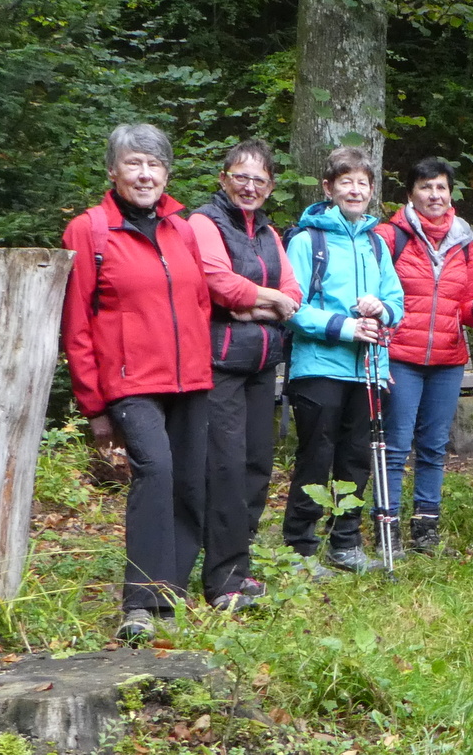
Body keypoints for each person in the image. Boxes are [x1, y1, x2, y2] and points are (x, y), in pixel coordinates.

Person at [61, 123, 213, 641]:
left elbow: (198, 302)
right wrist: (94, 406)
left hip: (190, 379)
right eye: (134, 163)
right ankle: (140, 602)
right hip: (130, 382)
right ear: (113, 171)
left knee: (191, 481)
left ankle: (172, 592)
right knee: (157, 472)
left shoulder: (183, 228)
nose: (145, 174)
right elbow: (76, 323)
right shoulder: (90, 230)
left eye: (154, 164)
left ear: (166, 172)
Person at [280, 146, 404, 573]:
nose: (355, 190)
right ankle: (299, 546)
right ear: (328, 187)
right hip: (318, 367)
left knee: (356, 457)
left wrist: (380, 310)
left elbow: (396, 301)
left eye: (363, 183)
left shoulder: (376, 242)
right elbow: (291, 307)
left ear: (372, 190)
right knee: (316, 456)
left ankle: (345, 544)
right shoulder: (306, 240)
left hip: (369, 368)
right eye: (346, 182)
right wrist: (346, 327)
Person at [189, 139, 302, 609]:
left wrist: (256, 306)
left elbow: (292, 292)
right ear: (223, 179)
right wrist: (266, 300)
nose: (249, 186)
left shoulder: (269, 234)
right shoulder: (203, 222)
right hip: (221, 366)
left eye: (259, 179)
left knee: (258, 465)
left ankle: (239, 559)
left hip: (262, 366)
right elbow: (218, 282)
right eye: (241, 176)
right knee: (226, 469)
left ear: (271, 186)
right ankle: (223, 581)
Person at [375, 158, 473, 555]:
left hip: (447, 357)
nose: (434, 195)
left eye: (441, 187)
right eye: (426, 187)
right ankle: (386, 527)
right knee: (395, 445)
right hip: (400, 355)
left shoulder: (463, 240)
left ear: (450, 194)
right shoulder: (390, 236)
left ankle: (426, 528)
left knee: (433, 446)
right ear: (410, 193)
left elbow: (465, 303)